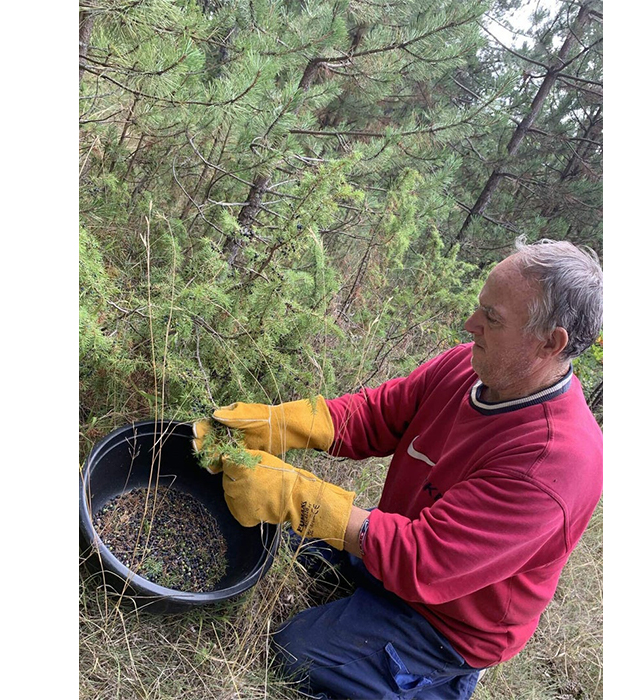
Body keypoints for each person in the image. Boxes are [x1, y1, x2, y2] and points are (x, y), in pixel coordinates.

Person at [194, 237, 604, 699]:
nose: (471, 326)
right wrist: (279, 423)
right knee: (261, 533)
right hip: (392, 551)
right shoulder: (472, 368)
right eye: (479, 309)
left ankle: (438, 683)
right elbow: (377, 415)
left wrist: (297, 496)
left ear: (551, 343)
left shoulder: (554, 461)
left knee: (294, 653)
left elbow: (428, 561)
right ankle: (364, 603)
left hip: (446, 622)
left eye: (492, 320)